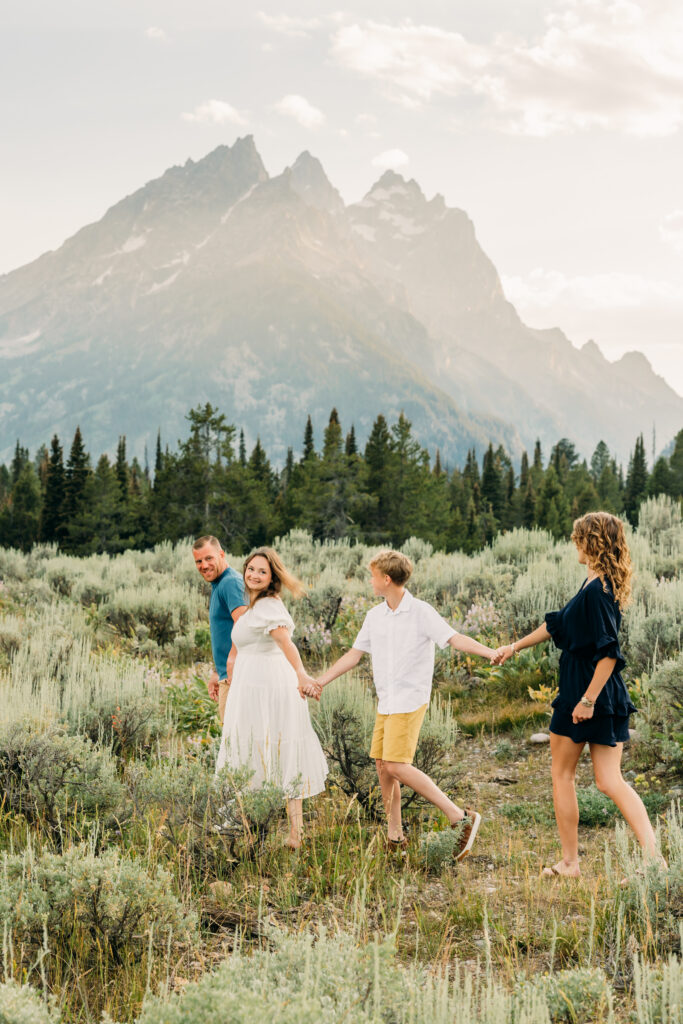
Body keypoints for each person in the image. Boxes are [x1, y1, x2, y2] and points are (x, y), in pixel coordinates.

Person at [493, 511, 661, 878]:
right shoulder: (594, 586)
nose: (575, 543)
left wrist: (586, 701)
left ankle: (572, 863)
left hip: (585, 693)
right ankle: (654, 859)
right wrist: (514, 647)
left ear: (594, 542)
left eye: (579, 538)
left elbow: (609, 654)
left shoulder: (598, 593)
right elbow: (556, 625)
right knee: (608, 780)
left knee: (563, 775)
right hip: (599, 694)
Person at [313, 550, 495, 859]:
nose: (370, 581)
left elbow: (454, 639)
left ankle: (460, 818)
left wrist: (490, 652)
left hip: (410, 700)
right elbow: (353, 656)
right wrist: (320, 681)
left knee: (397, 765)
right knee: (383, 767)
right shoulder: (375, 616)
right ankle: (395, 838)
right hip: (386, 701)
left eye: (373, 576)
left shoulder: (421, 612)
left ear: (386, 579)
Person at [215, 547, 328, 849]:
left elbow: (286, 644)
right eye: (250, 569)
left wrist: (302, 675)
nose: (254, 574)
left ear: (272, 577)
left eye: (262, 571)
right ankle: (249, 828)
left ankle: (294, 835)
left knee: (281, 750)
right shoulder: (254, 607)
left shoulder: (268, 607)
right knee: (252, 750)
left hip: (270, 688)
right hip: (249, 689)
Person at [193, 536, 248, 723]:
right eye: (199, 561)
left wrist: (231, 663)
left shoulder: (230, 582)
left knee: (235, 742)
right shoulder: (219, 584)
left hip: (237, 675)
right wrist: (217, 672)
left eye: (209, 558)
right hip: (228, 674)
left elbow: (244, 625)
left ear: (221, 554)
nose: (204, 565)